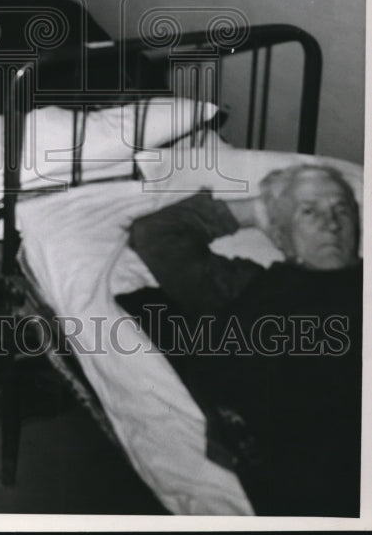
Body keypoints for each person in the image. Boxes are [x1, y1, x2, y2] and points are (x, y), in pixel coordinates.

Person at [117, 165, 362, 517]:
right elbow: (156, 234)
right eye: (310, 212)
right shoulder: (250, 289)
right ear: (280, 234)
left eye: (342, 209)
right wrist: (259, 210)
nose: (332, 223)